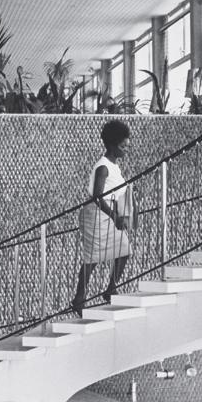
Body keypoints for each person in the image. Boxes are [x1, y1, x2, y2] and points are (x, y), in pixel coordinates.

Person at [72, 120, 132, 316]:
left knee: (124, 250)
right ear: (113, 145)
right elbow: (97, 196)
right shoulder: (103, 167)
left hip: (109, 214)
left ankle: (111, 289)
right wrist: (115, 216)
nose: (126, 148)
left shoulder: (114, 166)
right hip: (97, 214)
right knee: (93, 258)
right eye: (123, 145)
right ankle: (79, 299)